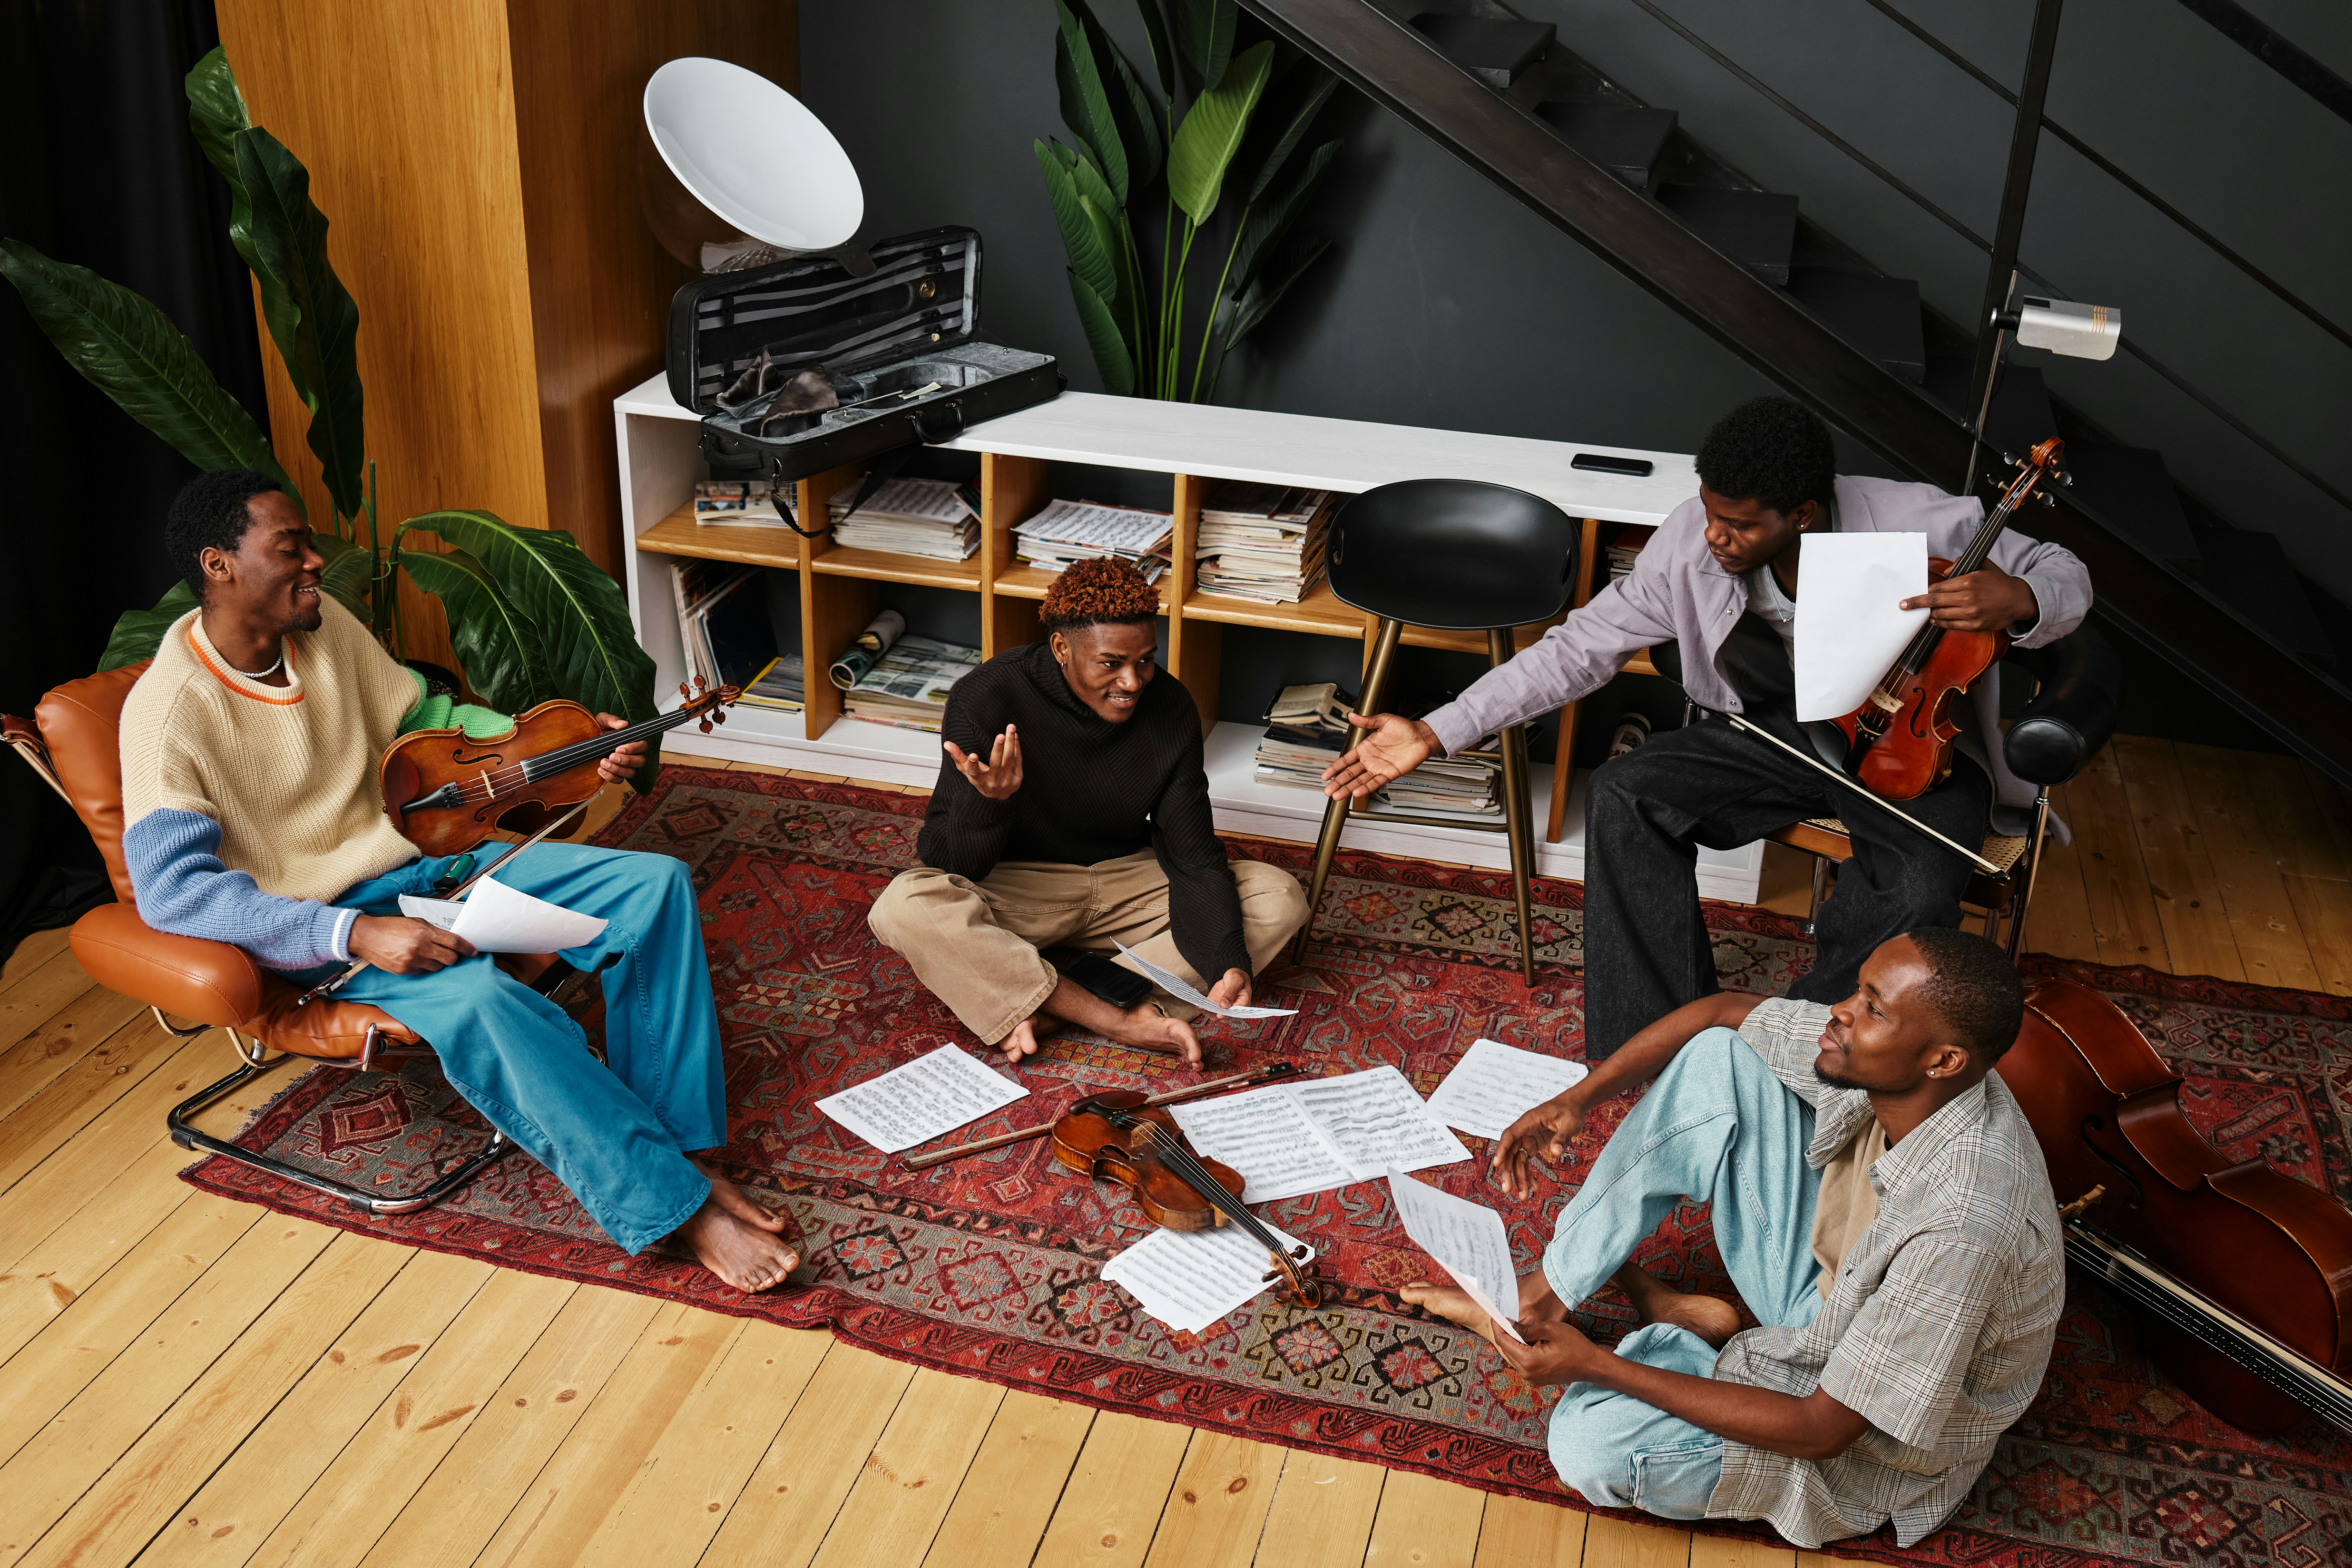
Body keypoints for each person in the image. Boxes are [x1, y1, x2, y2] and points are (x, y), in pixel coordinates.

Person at [120, 468, 801, 1292]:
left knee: (651, 888)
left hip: (421, 867)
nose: (315, 564)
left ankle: (684, 1155)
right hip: (329, 933)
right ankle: (678, 1209)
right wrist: (351, 932)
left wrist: (567, 745)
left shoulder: (324, 628)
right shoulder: (170, 713)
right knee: (483, 1000)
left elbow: (423, 723)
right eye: (289, 547)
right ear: (219, 565)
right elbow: (172, 892)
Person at [1322, 397, 2092, 1058]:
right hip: (1779, 733)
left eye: (1738, 525)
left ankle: (1799, 1049)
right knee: (1626, 793)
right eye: (1710, 511)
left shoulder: (1920, 519)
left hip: (1914, 747)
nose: (1713, 535)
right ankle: (1659, 1045)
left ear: (1801, 515)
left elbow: (2069, 574)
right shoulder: (1692, 536)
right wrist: (1434, 730)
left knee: (1924, 876)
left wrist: (2019, 597)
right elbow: (1579, 649)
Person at [1402, 928, 2063, 1549]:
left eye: (1871, 1008)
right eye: (1857, 990)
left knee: (1586, 1446)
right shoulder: (1906, 1067)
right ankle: (1545, 1297)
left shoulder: (1965, 1225)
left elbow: (1824, 1431)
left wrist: (1597, 1367)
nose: (1838, 1011)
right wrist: (1579, 1097)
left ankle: (1673, 1339)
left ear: (1943, 1060)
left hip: (1856, 1447)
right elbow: (1723, 1011)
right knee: (1723, 1057)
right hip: (1827, 1295)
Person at [868, 557, 1308, 1065]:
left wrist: (1229, 958)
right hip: (1023, 886)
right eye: (1111, 663)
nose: (1134, 681)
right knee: (905, 905)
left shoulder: (1171, 708)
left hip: (1126, 880)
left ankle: (1046, 1004)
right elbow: (951, 864)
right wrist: (990, 801)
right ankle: (1114, 1014)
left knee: (1278, 896)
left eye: (1145, 659)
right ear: (1061, 648)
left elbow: (1193, 856)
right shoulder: (986, 698)